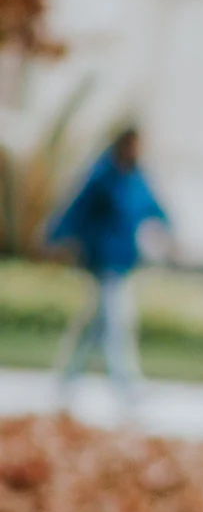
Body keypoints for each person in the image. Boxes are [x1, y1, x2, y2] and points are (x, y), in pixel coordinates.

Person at [46, 126, 171, 410]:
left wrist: (170, 232)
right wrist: (55, 239)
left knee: (96, 327)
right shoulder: (103, 175)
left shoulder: (136, 176)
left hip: (123, 261)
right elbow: (75, 208)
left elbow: (154, 206)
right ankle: (128, 388)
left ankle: (66, 381)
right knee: (117, 323)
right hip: (102, 260)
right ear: (123, 145)